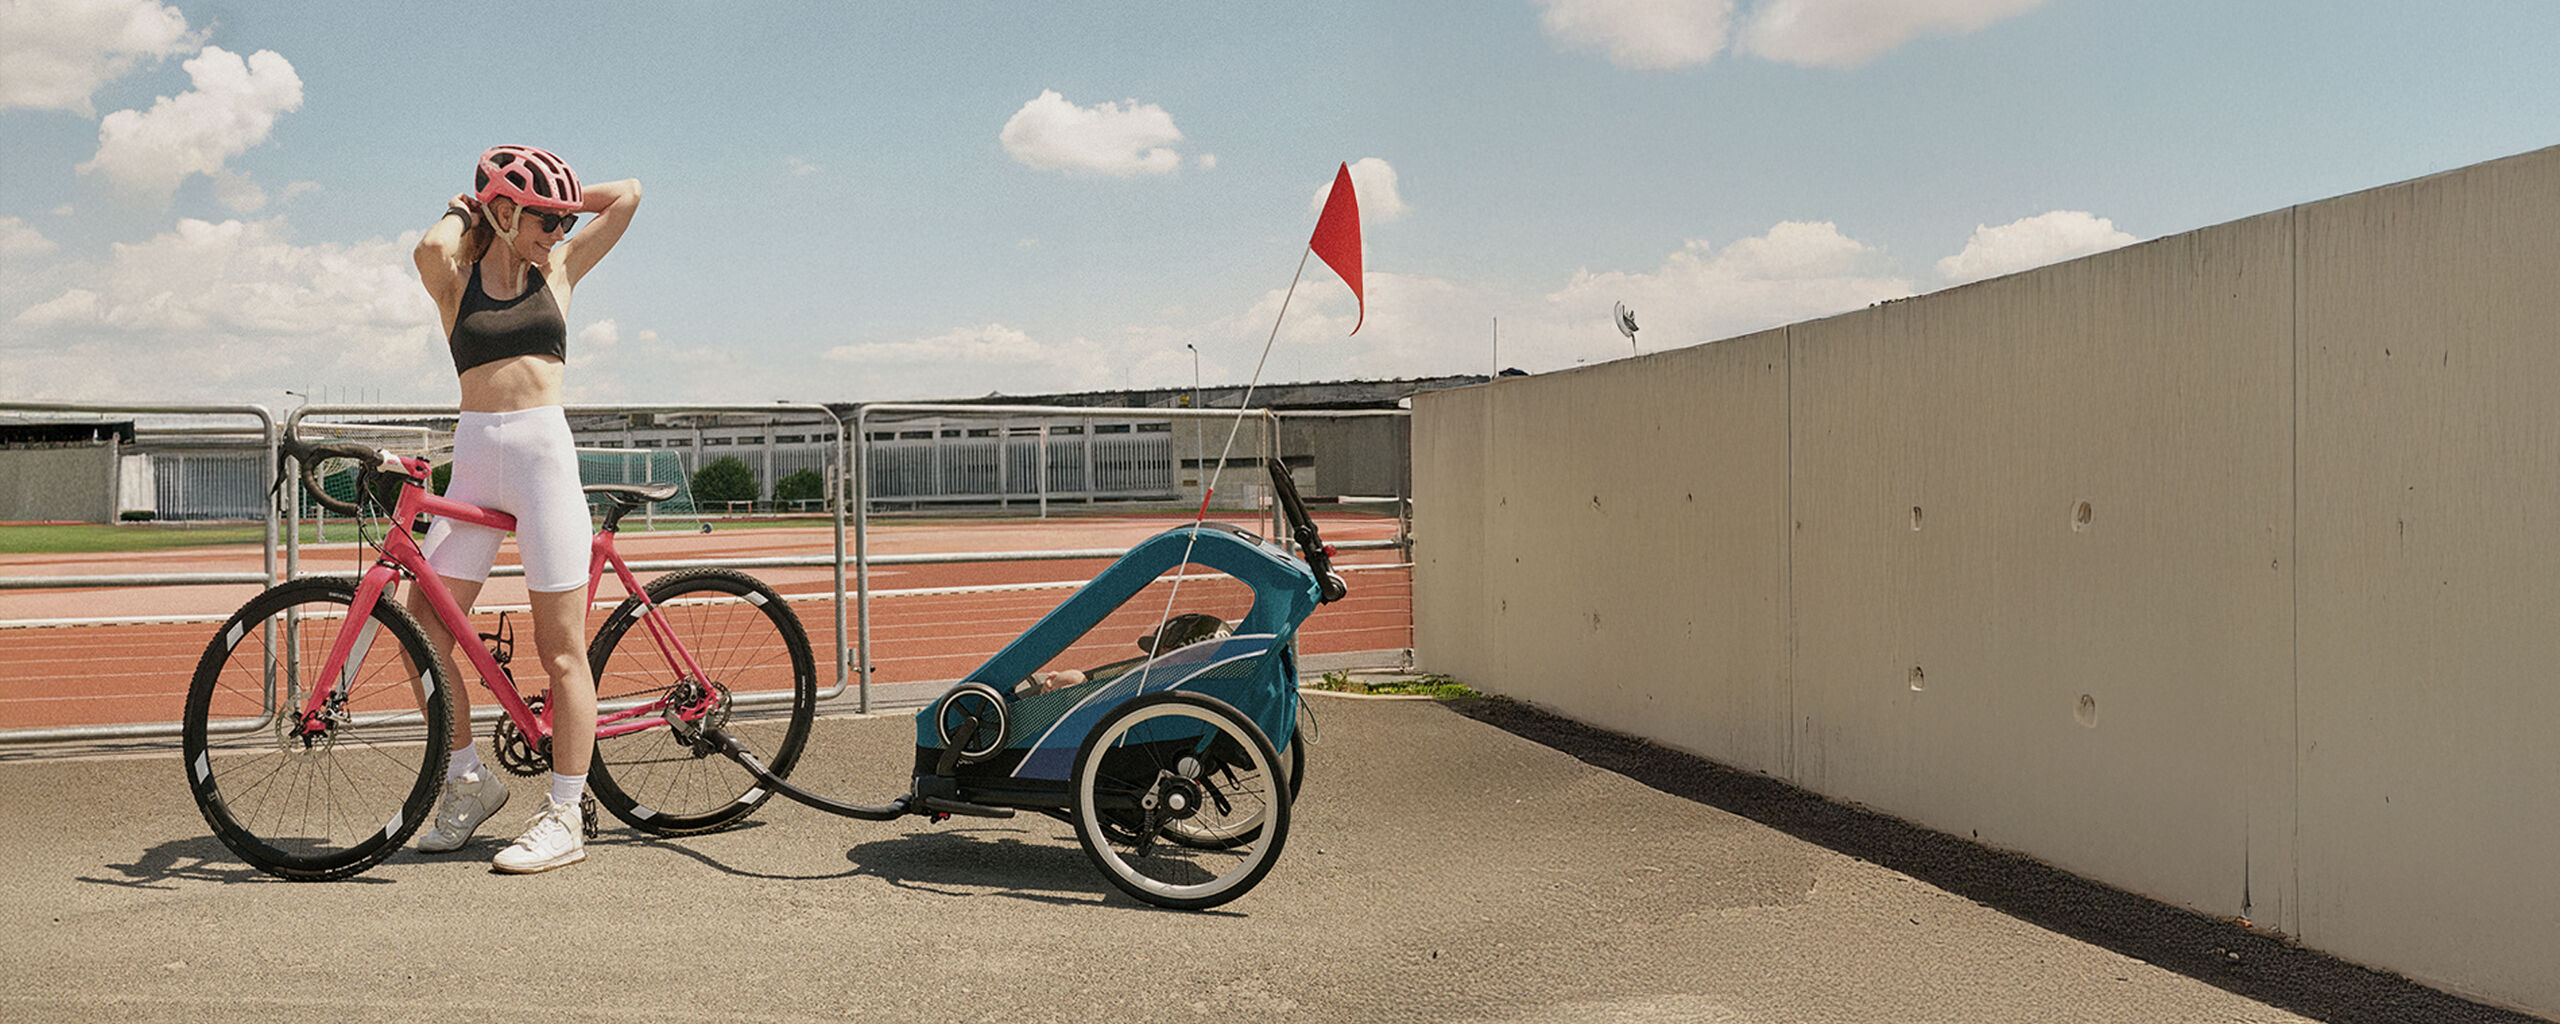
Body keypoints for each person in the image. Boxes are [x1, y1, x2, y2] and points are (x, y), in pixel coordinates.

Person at [404, 145, 640, 873]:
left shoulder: (559, 272)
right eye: (543, 219)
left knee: (561, 648)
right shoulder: (456, 284)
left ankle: (565, 813)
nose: (558, 232)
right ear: (504, 213)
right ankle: (469, 779)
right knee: (423, 634)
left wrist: (555, 198)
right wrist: (468, 205)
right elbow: (426, 247)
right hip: (474, 462)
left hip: (543, 461)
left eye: (563, 221)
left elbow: (627, 195)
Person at [1017, 612, 1232, 696]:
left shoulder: (1154, 687)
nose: (1152, 659)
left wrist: (1072, 687)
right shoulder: (1205, 687)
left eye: (1158, 654)